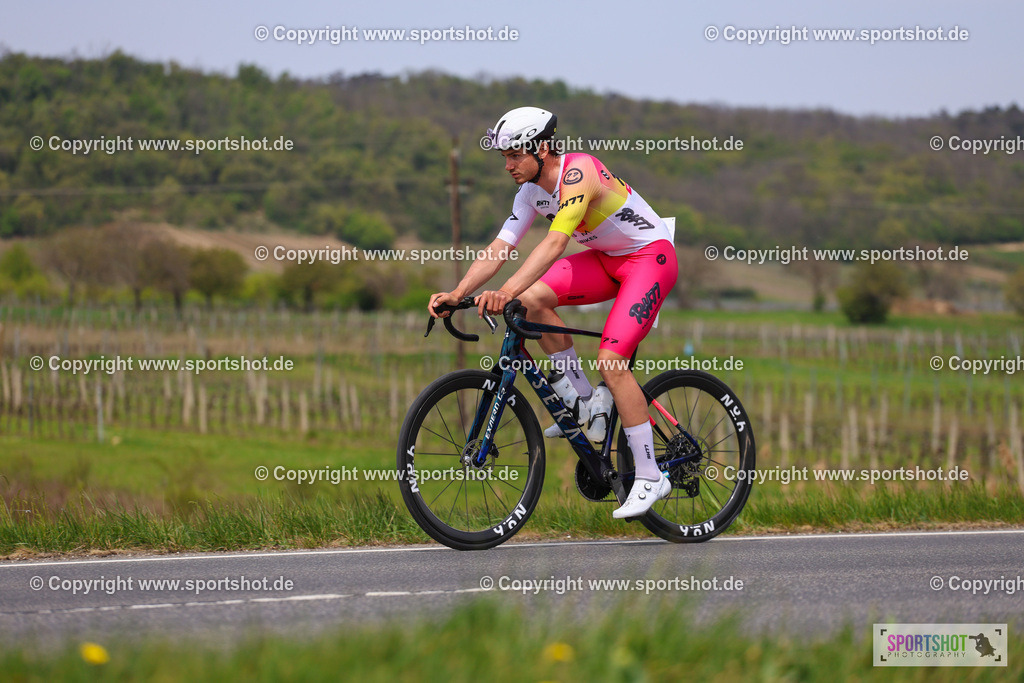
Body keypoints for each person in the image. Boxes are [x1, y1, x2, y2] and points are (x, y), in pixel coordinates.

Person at [428, 107, 678, 519]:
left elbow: (554, 243)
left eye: (515, 155)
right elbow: (499, 248)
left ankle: (651, 476)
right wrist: (458, 293)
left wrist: (505, 291)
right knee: (529, 302)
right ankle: (586, 403)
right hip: (606, 259)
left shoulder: (580, 172)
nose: (508, 165)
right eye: (504, 157)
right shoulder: (529, 192)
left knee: (611, 361)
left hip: (650, 258)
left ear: (542, 149)